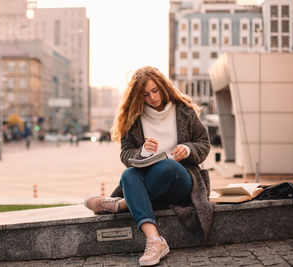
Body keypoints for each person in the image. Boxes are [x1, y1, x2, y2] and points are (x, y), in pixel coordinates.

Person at [84, 66, 213, 266]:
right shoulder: (134, 119)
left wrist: (187, 149)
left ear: (163, 87)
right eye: (146, 94)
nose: (153, 97)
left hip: (181, 181)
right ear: (138, 97)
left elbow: (203, 142)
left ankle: (121, 204)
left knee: (168, 167)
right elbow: (126, 154)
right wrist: (143, 152)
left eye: (156, 90)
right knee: (129, 175)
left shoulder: (184, 111)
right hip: (152, 183)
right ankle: (155, 240)